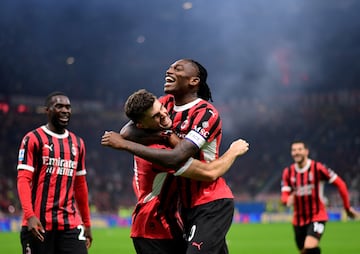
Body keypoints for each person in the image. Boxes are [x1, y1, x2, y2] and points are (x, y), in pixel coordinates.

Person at [102, 59, 236, 254]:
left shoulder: (206, 113)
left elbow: (179, 157)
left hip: (210, 201)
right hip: (184, 208)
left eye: (177, 68)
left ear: (194, 81)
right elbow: (126, 131)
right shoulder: (164, 104)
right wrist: (164, 135)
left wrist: (126, 145)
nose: (169, 70)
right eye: (170, 67)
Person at [16, 91, 93, 254]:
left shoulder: (78, 143)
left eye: (68, 107)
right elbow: (23, 179)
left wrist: (86, 223)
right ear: (48, 110)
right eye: (59, 106)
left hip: (70, 225)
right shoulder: (33, 138)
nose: (65, 110)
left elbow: (80, 186)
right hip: (39, 224)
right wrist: (30, 216)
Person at [280, 140, 359, 254]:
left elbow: (340, 184)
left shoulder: (318, 168)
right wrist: (286, 200)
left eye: (299, 149)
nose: (296, 152)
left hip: (317, 216)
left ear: (306, 151)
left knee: (310, 247)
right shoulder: (288, 172)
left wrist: (347, 208)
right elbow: (284, 195)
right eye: (294, 150)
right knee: (304, 251)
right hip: (298, 220)